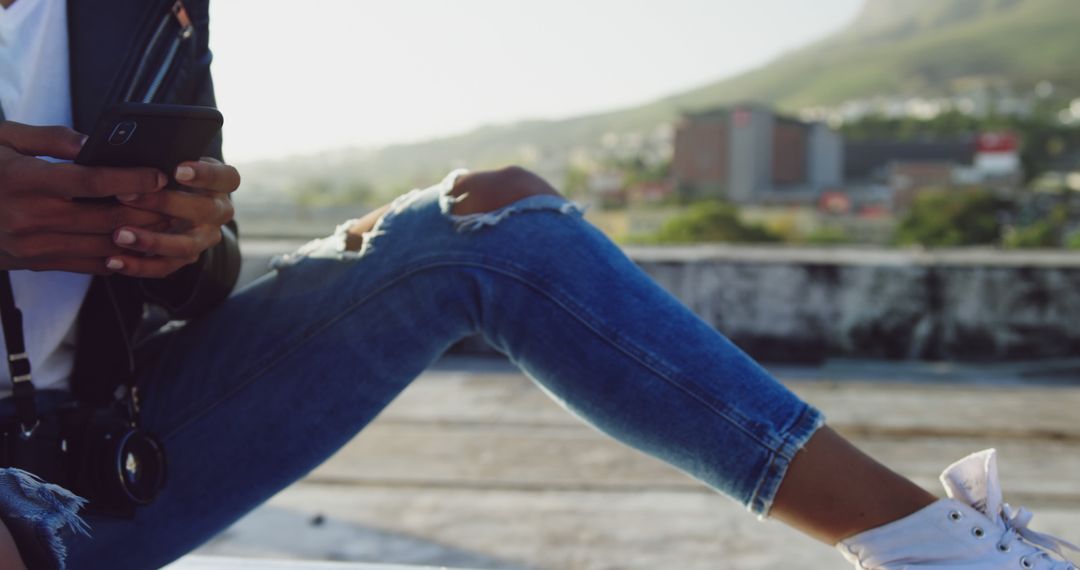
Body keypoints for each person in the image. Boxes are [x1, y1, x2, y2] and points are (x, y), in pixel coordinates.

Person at [0, 1, 1076, 569]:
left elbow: (202, 269)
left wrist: (187, 241)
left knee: (493, 221)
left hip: (101, 446)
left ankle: (942, 553)